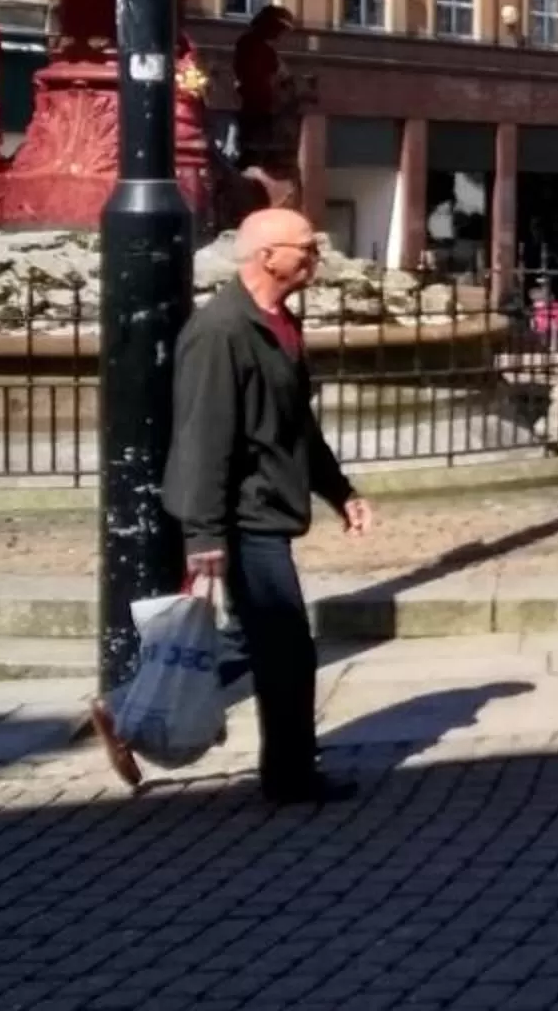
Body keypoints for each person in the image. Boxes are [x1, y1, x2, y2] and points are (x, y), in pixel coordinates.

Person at [142, 207, 372, 806]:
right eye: (306, 247)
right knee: (289, 647)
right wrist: (204, 534)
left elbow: (296, 427)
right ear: (267, 256)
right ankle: (290, 776)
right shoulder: (221, 331)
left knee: (258, 640)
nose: (315, 257)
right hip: (242, 518)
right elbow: (204, 438)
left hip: (266, 506)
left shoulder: (278, 322)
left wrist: (341, 492)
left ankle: (127, 708)